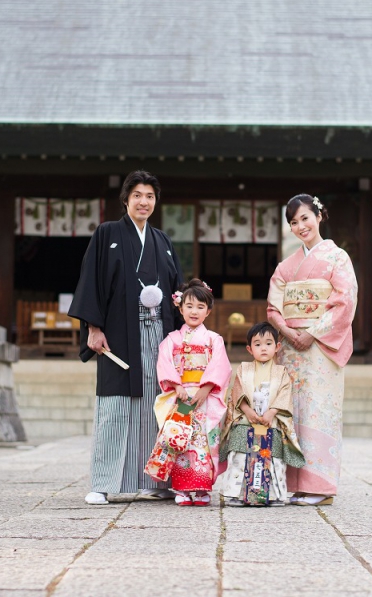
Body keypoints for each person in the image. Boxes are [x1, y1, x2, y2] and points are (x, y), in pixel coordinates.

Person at [69, 170, 184, 505]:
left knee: (157, 408)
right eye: (138, 195)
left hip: (159, 335)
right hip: (119, 336)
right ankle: (103, 482)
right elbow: (90, 281)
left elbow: (176, 289)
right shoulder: (107, 234)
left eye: (149, 196)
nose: (144, 202)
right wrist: (93, 327)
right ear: (126, 199)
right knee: (116, 407)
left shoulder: (162, 241)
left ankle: (155, 481)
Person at [266, 194, 357, 506]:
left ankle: (320, 486)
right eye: (294, 222)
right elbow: (273, 307)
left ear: (319, 216)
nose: (300, 226)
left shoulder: (337, 258)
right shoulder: (286, 266)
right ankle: (298, 484)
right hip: (292, 347)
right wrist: (290, 332)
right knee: (294, 411)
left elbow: (345, 300)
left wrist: (313, 332)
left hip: (320, 348)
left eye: (305, 218)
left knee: (319, 410)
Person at [147, 279, 232, 506]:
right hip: (181, 397)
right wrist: (176, 387)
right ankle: (182, 489)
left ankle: (202, 488)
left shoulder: (214, 339)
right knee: (180, 440)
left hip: (205, 397)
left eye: (200, 307)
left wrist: (205, 389)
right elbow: (164, 364)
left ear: (209, 311)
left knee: (203, 441)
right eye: (190, 306)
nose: (194, 311)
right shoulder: (171, 340)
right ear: (180, 307)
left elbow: (220, 366)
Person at [218, 321, 304, 507]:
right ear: (250, 349)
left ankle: (274, 495)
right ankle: (236, 494)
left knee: (273, 459)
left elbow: (284, 395)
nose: (263, 348)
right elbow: (237, 393)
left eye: (268, 343)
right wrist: (248, 412)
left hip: (270, 422)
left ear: (277, 347)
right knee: (241, 455)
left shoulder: (282, 373)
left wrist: (271, 412)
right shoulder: (243, 369)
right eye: (257, 344)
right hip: (246, 421)